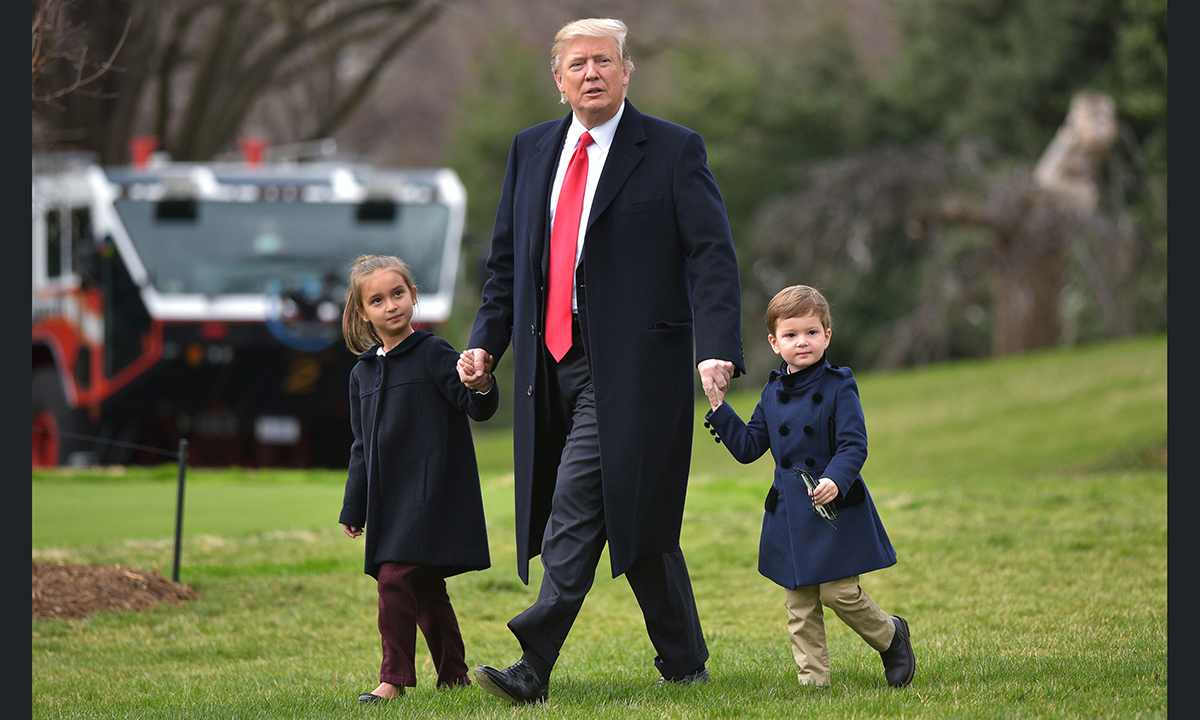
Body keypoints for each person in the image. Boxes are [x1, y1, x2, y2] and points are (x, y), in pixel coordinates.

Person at [457, 17, 744, 705]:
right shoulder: (530, 151)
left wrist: (719, 348)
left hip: (635, 367)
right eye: (578, 63)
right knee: (636, 516)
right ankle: (684, 661)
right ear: (559, 80)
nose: (592, 73)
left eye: (604, 61)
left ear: (626, 72)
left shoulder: (673, 150)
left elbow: (711, 254)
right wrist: (484, 342)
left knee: (577, 500)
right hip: (544, 364)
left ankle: (533, 662)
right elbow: (506, 265)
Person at [703, 285, 915, 688]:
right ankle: (813, 682)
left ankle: (891, 637)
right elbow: (749, 448)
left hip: (834, 507)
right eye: (791, 335)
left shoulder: (840, 385)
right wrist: (718, 408)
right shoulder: (770, 393)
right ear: (774, 342)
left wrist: (835, 478)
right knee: (799, 603)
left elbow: (854, 444)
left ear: (827, 335)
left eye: (812, 332)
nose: (803, 341)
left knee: (839, 593)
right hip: (790, 512)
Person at [338, 255, 498, 703]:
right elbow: (361, 448)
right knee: (425, 586)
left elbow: (477, 407)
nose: (391, 305)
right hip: (390, 502)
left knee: (394, 579)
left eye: (398, 294)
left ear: (412, 296)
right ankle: (454, 676)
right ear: (361, 312)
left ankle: (393, 680)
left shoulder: (434, 353)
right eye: (377, 299)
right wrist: (354, 506)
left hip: (432, 495)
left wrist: (481, 382)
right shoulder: (362, 373)